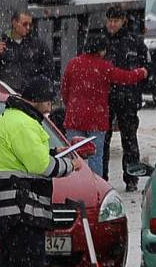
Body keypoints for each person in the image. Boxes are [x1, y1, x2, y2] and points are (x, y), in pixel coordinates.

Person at [0, 75, 81, 267]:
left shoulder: (9, 118)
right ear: (37, 100)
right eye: (48, 101)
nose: (50, 108)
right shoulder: (23, 124)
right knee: (29, 265)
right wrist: (69, 165)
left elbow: (30, 157)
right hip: (22, 208)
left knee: (11, 264)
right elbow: (41, 166)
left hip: (7, 208)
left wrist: (56, 153)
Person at [61, 32, 148, 177]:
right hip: (96, 118)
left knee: (73, 156)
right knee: (95, 156)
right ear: (102, 50)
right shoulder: (103, 67)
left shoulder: (73, 64)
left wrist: (70, 106)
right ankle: (95, 189)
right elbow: (125, 77)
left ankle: (74, 186)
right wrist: (141, 72)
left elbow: (65, 89)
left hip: (75, 117)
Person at [102, 6, 149, 191]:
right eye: (110, 20)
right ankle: (102, 177)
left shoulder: (134, 42)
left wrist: (136, 93)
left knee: (129, 140)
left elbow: (146, 70)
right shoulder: (101, 41)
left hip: (128, 98)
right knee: (103, 140)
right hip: (105, 98)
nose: (112, 24)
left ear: (123, 21)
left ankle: (131, 178)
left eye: (116, 21)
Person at [0, 11, 54, 92]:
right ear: (14, 23)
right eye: (25, 24)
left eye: (30, 24)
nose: (28, 27)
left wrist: (42, 90)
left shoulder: (38, 45)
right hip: (9, 94)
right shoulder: (2, 45)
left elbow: (49, 70)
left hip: (31, 96)